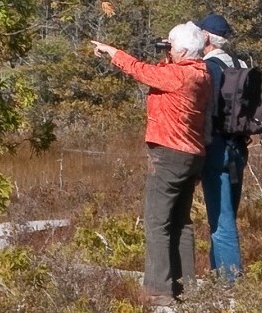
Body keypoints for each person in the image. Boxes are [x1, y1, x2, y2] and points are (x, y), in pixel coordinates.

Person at [89, 23, 211, 306]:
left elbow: (141, 71)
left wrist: (112, 52)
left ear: (180, 51)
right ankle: (185, 287)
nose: (166, 50)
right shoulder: (202, 74)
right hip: (193, 155)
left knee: (158, 223)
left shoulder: (179, 75)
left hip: (169, 154)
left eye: (170, 46)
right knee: (181, 222)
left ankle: (158, 291)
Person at [192, 13, 248, 283]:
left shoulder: (208, 68)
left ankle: (231, 284)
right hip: (239, 148)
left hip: (216, 150)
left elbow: (203, 112)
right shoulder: (240, 63)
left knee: (221, 220)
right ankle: (219, 275)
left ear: (206, 37)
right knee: (226, 215)